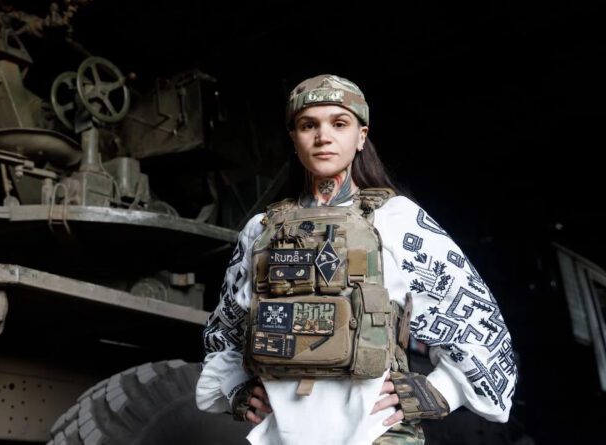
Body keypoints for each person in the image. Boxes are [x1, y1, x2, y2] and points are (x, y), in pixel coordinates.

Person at [196, 74, 516, 445]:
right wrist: (235, 388)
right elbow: (225, 332)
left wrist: (442, 390)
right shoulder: (260, 231)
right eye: (308, 125)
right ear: (293, 138)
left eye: (339, 124)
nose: (323, 136)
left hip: (373, 432)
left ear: (361, 136)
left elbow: (478, 320)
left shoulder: (396, 220)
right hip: (283, 433)